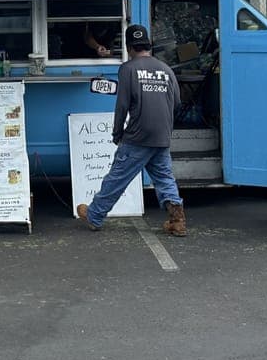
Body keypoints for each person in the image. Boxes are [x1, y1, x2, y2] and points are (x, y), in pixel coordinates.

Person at [77, 24, 187, 236]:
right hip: (161, 135)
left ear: (129, 47)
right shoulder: (167, 70)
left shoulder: (128, 69)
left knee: (117, 177)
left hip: (138, 135)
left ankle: (95, 215)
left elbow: (122, 106)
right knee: (164, 177)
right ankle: (178, 220)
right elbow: (177, 104)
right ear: (148, 45)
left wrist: (117, 133)